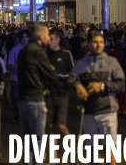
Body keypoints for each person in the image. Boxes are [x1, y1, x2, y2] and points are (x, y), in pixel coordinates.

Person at [71, 30, 126, 165]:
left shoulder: (111, 62)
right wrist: (78, 86)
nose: (98, 45)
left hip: (108, 111)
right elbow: (70, 79)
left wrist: (101, 86)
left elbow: (121, 84)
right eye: (95, 42)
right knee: (91, 150)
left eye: (101, 42)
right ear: (88, 43)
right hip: (89, 112)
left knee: (110, 149)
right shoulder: (82, 64)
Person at [17, 24, 59, 165]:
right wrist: (51, 69)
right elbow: (52, 75)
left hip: (23, 99)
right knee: (38, 139)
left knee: (28, 139)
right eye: (47, 35)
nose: (49, 38)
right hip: (35, 99)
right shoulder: (38, 52)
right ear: (41, 37)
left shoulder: (23, 51)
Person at [46, 28, 74, 161]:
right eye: (48, 39)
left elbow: (72, 73)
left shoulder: (66, 54)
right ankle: (54, 158)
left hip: (62, 93)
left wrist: (57, 75)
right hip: (49, 94)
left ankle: (73, 152)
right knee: (50, 127)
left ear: (58, 39)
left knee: (61, 125)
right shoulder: (46, 55)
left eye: (52, 39)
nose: (49, 42)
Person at [8, 29, 29, 123]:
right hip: (16, 78)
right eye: (23, 37)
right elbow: (11, 63)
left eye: (26, 37)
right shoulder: (15, 49)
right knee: (16, 97)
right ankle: (17, 116)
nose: (25, 39)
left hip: (28, 79)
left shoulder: (32, 49)